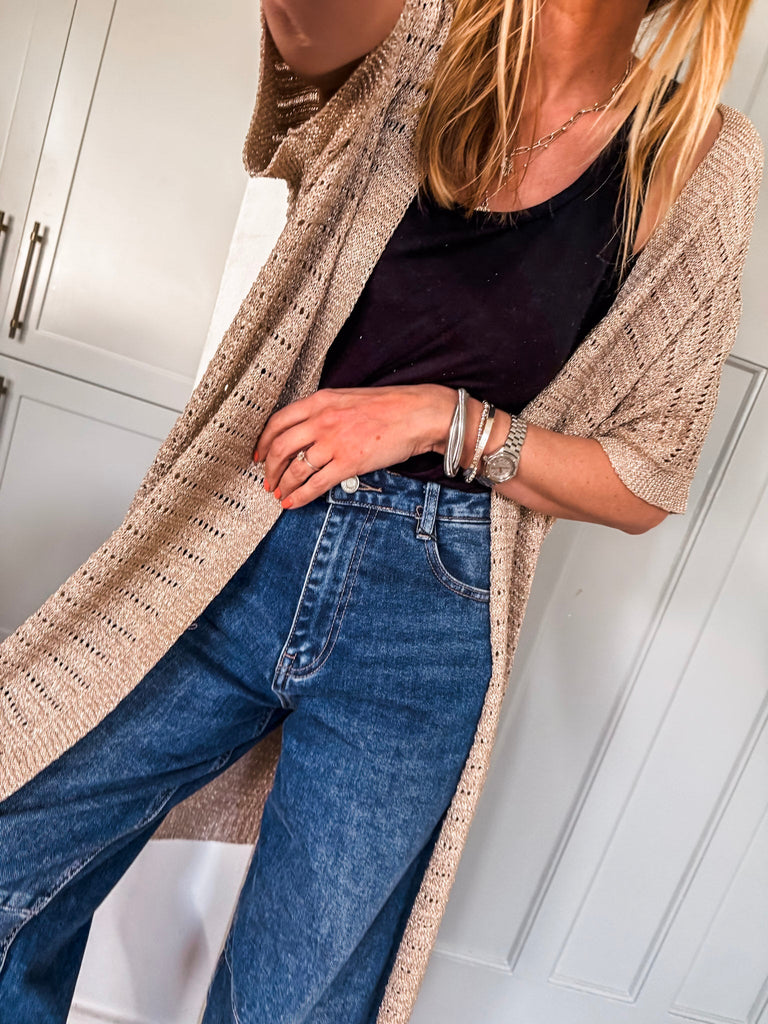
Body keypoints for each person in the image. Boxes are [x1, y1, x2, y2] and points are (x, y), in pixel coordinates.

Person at [0, 1, 763, 1022]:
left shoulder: (701, 156)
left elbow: (646, 479)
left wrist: (439, 418)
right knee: (17, 838)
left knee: (295, 1002)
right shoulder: (420, 36)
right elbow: (304, 26)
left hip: (431, 615)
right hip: (244, 533)